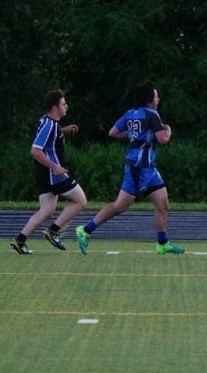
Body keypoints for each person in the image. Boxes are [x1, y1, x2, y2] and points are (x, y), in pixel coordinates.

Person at [75, 81, 185, 255]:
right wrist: (169, 129)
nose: (158, 98)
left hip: (148, 168)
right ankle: (85, 230)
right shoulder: (152, 114)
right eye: (156, 95)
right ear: (149, 99)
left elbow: (113, 132)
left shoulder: (130, 113)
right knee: (120, 206)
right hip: (137, 168)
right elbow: (163, 138)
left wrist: (134, 136)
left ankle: (163, 243)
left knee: (162, 203)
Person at [10, 90, 87, 255]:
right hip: (53, 174)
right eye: (63, 104)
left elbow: (48, 135)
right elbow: (35, 150)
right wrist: (55, 167)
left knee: (47, 209)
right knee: (80, 200)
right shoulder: (50, 125)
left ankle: (20, 240)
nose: (66, 106)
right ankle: (53, 231)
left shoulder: (48, 122)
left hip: (43, 173)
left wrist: (64, 130)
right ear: (55, 107)